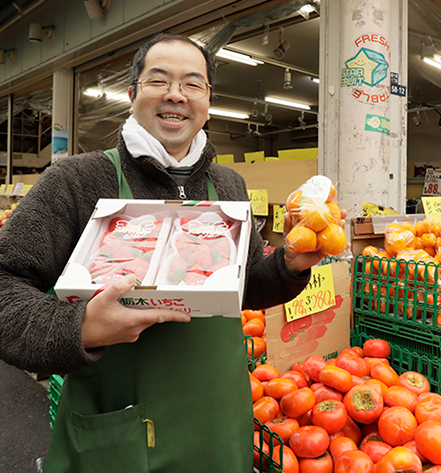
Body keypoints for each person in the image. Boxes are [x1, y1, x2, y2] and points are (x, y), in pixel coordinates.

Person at [0, 33, 342, 473]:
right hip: (119, 430)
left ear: (208, 101)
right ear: (131, 94)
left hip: (217, 425)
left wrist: (287, 266)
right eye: (158, 80)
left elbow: (242, 288)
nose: (176, 95)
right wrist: (80, 327)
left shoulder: (229, 186)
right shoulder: (76, 180)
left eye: (192, 84)